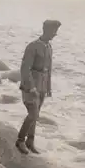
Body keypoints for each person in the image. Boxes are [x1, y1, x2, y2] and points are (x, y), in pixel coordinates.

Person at [16, 19, 61, 155]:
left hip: (42, 86)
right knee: (33, 114)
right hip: (31, 86)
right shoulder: (32, 46)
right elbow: (25, 68)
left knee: (36, 116)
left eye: (56, 32)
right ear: (46, 30)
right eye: (53, 31)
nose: (55, 35)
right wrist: (31, 87)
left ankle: (30, 141)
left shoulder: (49, 47)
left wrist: (48, 88)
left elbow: (49, 70)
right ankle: (20, 140)